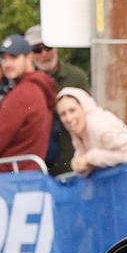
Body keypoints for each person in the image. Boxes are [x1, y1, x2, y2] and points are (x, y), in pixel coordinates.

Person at [0, 35, 56, 173]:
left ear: (29, 58)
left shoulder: (22, 94)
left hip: (12, 181)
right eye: (4, 58)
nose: (7, 63)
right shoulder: (37, 87)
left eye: (13, 57)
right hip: (26, 176)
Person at [26, 25, 90, 175]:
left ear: (57, 48)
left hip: (71, 160)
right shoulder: (24, 83)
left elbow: (89, 114)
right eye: (37, 49)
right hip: (37, 164)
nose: (43, 54)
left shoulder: (76, 77)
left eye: (48, 47)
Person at [55, 87, 127, 176]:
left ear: (84, 108)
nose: (68, 118)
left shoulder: (101, 125)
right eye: (63, 114)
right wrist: (80, 165)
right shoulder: (78, 132)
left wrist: (91, 157)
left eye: (72, 110)